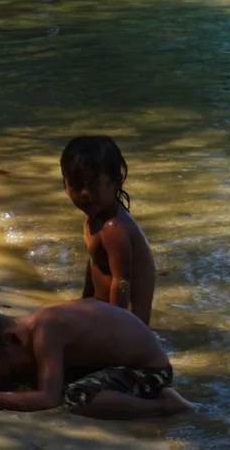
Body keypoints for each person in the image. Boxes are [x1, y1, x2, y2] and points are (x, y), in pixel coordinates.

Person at [0, 300, 191, 419]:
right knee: (35, 378)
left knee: (75, 397)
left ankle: (165, 405)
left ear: (9, 340)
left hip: (148, 372)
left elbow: (48, 398)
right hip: (112, 364)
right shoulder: (29, 331)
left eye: (10, 372)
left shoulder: (47, 331)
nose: (14, 376)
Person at [60, 136, 156, 325]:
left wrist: (114, 329)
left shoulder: (114, 229)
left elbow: (122, 283)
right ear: (65, 185)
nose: (85, 194)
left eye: (94, 184)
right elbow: (95, 262)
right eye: (77, 185)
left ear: (117, 182)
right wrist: (84, 301)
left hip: (129, 326)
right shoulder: (93, 217)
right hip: (107, 313)